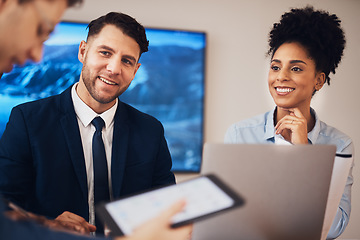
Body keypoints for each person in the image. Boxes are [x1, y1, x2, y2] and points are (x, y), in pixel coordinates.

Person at [0, 1, 192, 240]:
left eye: (127, 61)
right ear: (83, 51)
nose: (113, 68)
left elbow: (167, 208)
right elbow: (6, 205)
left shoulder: (150, 131)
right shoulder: (27, 121)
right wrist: (48, 224)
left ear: (135, 70)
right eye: (105, 52)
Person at [224, 6, 354, 240]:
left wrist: (303, 152)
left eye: (295, 68)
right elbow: (229, 216)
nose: (281, 76)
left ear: (319, 80)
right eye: (275, 67)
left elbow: (334, 228)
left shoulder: (340, 144)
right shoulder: (239, 134)